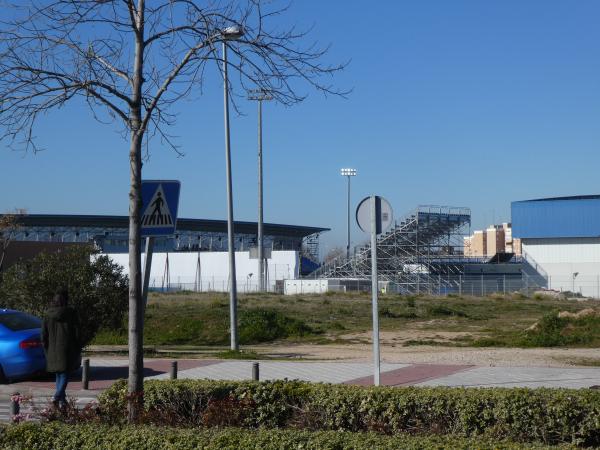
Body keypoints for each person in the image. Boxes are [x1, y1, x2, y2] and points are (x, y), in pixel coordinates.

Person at [41, 288, 81, 408]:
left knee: (58, 374)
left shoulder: (47, 314)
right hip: (67, 348)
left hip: (52, 349)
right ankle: (57, 396)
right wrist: (78, 346)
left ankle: (63, 403)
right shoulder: (71, 313)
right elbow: (77, 332)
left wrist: (46, 348)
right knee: (64, 374)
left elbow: (43, 334)